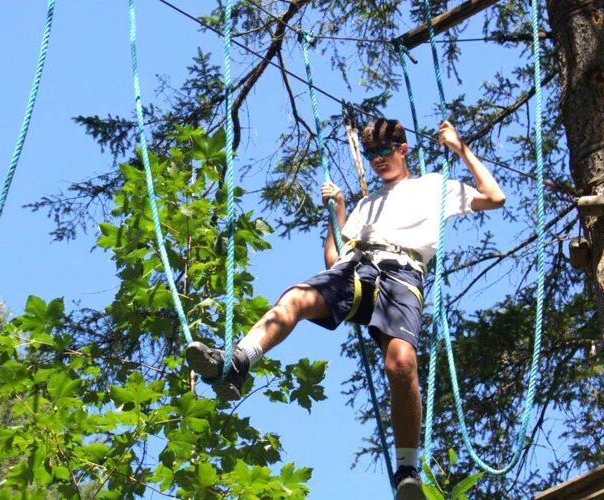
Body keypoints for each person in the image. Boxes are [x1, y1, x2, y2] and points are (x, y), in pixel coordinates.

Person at [186, 118, 506, 499]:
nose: (377, 160)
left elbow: (495, 196)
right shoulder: (366, 205)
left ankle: (407, 471)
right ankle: (238, 362)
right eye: (370, 154)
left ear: (403, 149)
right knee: (297, 298)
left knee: (401, 363)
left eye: (384, 151)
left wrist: (459, 149)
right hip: (356, 268)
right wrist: (337, 210)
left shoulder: (433, 186)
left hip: (402, 274)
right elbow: (334, 258)